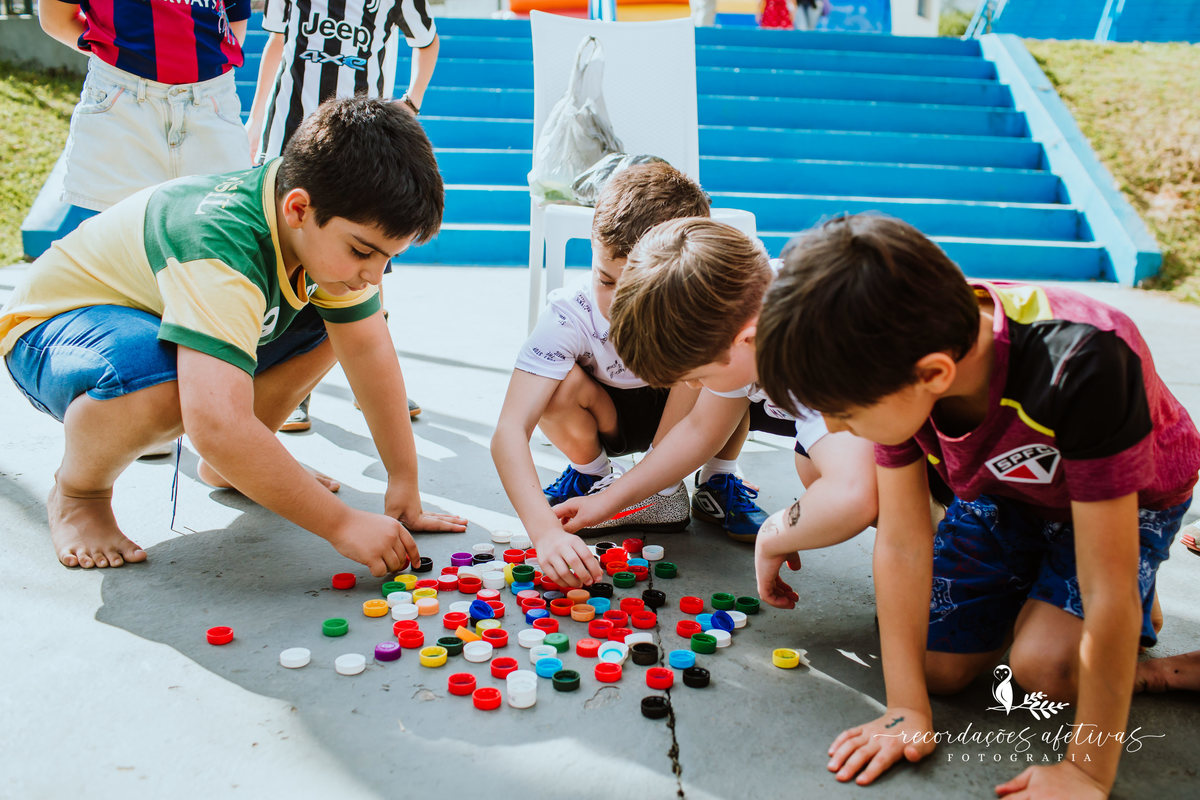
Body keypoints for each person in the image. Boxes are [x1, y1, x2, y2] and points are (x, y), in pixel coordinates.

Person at [756, 214, 1200, 797]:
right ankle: (1055, 591)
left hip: (1125, 502)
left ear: (934, 375)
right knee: (932, 667)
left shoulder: (1084, 361)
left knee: (1042, 670)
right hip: (1006, 493)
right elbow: (903, 543)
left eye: (844, 414)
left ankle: (1146, 640)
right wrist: (905, 708)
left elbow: (1106, 585)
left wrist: (1087, 770)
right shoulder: (896, 363)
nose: (836, 429)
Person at [0, 97, 466, 573]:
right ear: (298, 209)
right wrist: (341, 524)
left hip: (150, 323)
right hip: (52, 330)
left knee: (342, 327)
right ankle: (80, 493)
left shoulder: (318, 225)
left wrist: (403, 482)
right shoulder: (221, 244)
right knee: (168, 387)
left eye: (389, 258)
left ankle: (236, 467)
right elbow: (215, 424)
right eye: (363, 252)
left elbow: (368, 349)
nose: (374, 275)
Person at [552, 218, 879, 606]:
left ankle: (933, 535)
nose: (693, 388)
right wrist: (603, 504)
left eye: (698, 376)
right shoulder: (745, 308)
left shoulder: (816, 357)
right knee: (811, 459)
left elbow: (854, 493)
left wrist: (777, 532)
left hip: (933, 450)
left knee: (818, 469)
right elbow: (699, 429)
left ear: (746, 340)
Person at [492, 163, 725, 589]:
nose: (620, 304)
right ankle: (594, 475)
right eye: (605, 279)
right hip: (609, 416)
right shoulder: (570, 314)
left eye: (640, 285)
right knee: (553, 386)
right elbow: (509, 429)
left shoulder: (710, 307)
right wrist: (544, 532)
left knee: (720, 363)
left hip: (682, 417)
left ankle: (714, 479)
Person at [245, 0, 440, 430]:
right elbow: (276, 42)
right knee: (289, 258)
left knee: (369, 260)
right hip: (291, 137)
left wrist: (411, 103)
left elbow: (427, 42)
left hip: (360, 151)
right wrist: (257, 118)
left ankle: (370, 379)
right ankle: (292, 390)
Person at [36, 0, 252, 215]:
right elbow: (57, 18)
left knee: (219, 228)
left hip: (210, 102)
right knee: (118, 230)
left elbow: (232, 26)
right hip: (123, 106)